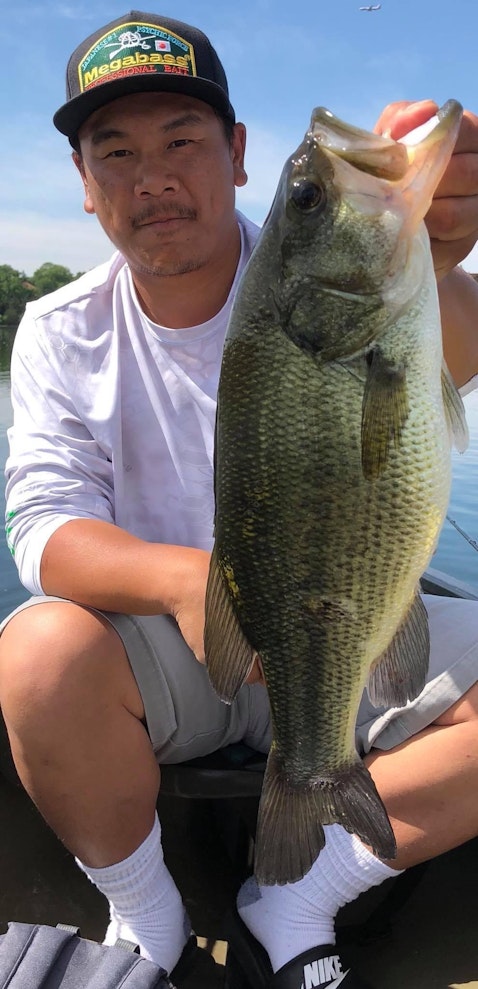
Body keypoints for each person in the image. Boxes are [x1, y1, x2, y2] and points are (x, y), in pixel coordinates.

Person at [0, 10, 477, 989]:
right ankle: (145, 913)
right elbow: (41, 528)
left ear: (238, 154)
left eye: (182, 140)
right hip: (172, 654)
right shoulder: (56, 329)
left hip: (346, 621)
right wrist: (198, 585)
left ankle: (302, 888)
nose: (152, 177)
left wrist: (436, 249)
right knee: (37, 653)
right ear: (85, 185)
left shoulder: (349, 278)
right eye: (116, 152)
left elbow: (453, 345)